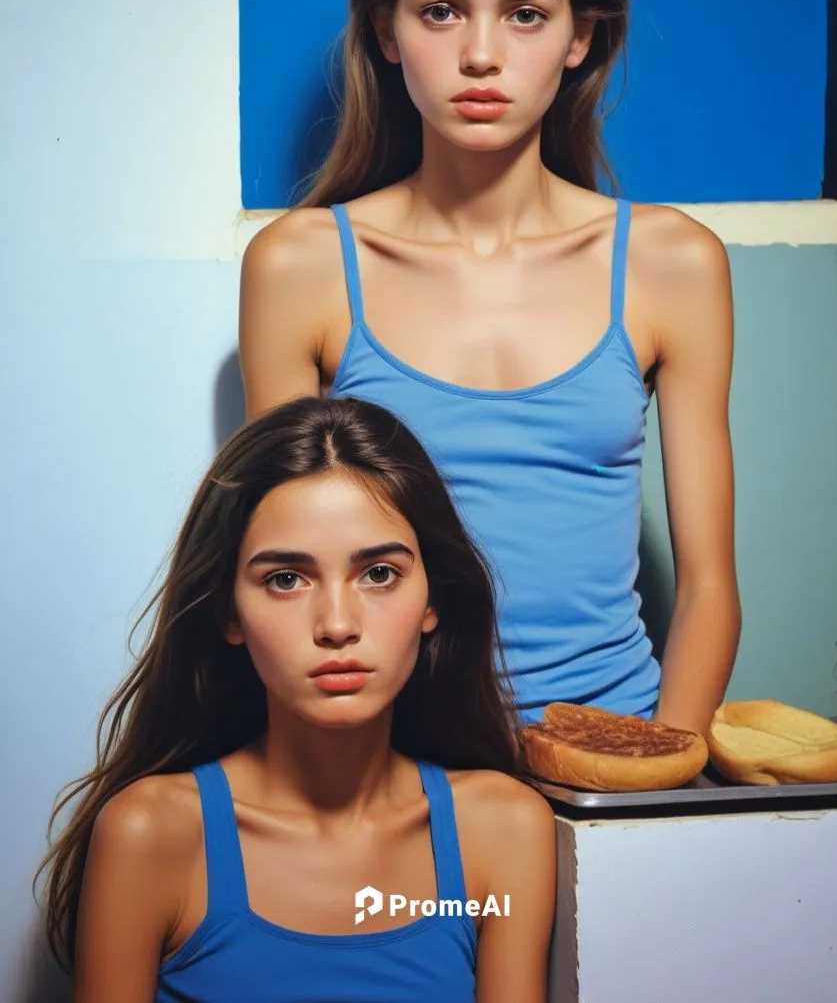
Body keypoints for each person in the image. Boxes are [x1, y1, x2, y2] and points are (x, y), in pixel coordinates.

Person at [239, 0, 741, 735]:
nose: (479, 54)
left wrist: (660, 784)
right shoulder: (301, 266)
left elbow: (708, 588)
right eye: (440, 11)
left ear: (579, 35)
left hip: (613, 755)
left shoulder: (673, 263)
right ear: (388, 32)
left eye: (525, 15)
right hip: (396, 764)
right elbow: (285, 580)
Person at [37, 397, 556, 1003]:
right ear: (229, 610)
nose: (337, 624)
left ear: (433, 600)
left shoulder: (503, 829)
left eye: (379, 574)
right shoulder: (151, 833)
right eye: (286, 579)